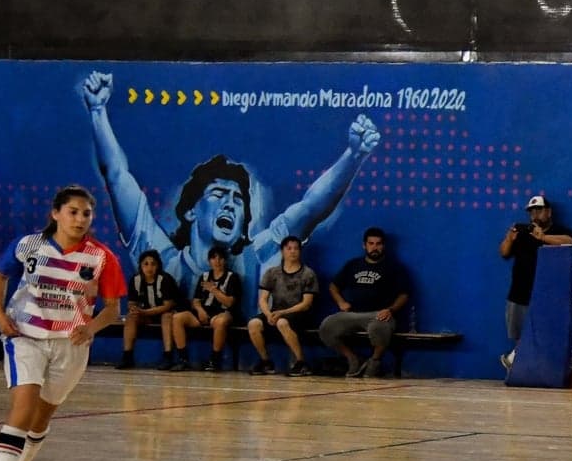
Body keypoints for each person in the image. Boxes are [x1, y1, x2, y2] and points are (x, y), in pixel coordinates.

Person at [78, 71, 379, 299]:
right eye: (219, 194)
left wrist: (353, 156)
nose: (230, 204)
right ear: (192, 211)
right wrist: (97, 111)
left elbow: (312, 208)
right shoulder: (162, 256)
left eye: (238, 199)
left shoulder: (258, 255)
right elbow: (117, 176)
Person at [0, 185, 125, 461]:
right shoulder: (28, 245)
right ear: (56, 213)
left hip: (70, 345)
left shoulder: (102, 257)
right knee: (23, 406)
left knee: (42, 417)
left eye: (86, 213)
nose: (79, 219)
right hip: (25, 336)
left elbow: (113, 309)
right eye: (73, 212)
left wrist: (90, 328)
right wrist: (1, 315)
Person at [500, 194, 572, 371]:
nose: (535, 215)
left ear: (548, 212)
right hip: (519, 292)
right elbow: (504, 253)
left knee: (542, 333)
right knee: (519, 335)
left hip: (545, 294)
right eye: (532, 212)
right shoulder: (521, 234)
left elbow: (570, 242)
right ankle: (520, 367)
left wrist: (543, 238)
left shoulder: (557, 230)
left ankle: (521, 363)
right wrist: (509, 239)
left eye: (539, 210)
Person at [322, 227, 411, 379]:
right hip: (352, 314)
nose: (374, 247)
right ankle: (353, 359)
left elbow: (404, 295)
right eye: (371, 243)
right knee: (327, 327)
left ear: (383, 246)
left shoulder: (394, 267)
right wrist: (341, 302)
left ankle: (375, 361)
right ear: (364, 245)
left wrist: (390, 310)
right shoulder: (353, 265)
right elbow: (333, 286)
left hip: (378, 314)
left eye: (378, 244)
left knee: (380, 327)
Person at [246, 236, 319, 376]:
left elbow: (306, 304)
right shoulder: (272, 273)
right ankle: (266, 361)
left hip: (299, 314)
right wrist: (268, 314)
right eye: (289, 248)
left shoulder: (308, 274)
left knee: (282, 322)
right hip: (275, 312)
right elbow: (263, 299)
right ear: (282, 251)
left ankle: (301, 362)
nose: (293, 252)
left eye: (296, 248)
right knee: (253, 324)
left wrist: (282, 312)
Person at [171, 245, 242, 372]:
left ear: (225, 261)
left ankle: (215, 359)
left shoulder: (232, 277)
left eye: (220, 258)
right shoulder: (204, 276)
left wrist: (214, 290)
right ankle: (183, 359)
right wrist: (200, 311)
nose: (217, 261)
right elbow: (196, 300)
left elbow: (230, 302)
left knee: (221, 322)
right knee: (177, 318)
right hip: (203, 313)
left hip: (222, 312)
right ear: (209, 261)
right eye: (214, 258)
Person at [117, 249, 186, 370]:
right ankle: (127, 356)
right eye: (146, 264)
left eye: (153, 264)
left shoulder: (165, 279)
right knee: (130, 317)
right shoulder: (135, 280)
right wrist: (134, 309)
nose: (149, 267)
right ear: (141, 266)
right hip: (146, 314)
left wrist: (144, 312)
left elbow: (168, 305)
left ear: (158, 265)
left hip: (166, 314)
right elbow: (131, 303)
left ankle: (168, 356)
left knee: (167, 316)